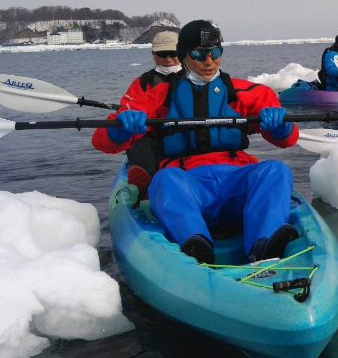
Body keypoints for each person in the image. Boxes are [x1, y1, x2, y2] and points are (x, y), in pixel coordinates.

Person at [92, 20, 300, 265]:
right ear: (185, 56)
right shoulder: (158, 97)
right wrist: (122, 128)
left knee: (275, 169)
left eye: (215, 53)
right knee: (163, 179)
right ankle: (196, 244)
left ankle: (265, 246)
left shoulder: (250, 93)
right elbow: (101, 141)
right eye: (200, 54)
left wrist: (280, 125)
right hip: (186, 183)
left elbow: (288, 140)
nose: (209, 61)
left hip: (235, 180)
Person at [121, 31, 183, 192]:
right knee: (136, 138)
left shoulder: (196, 77)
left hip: (185, 133)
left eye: (173, 53)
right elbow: (127, 106)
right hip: (154, 136)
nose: (168, 59)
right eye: (162, 54)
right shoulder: (142, 83)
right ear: (153, 55)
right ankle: (146, 186)